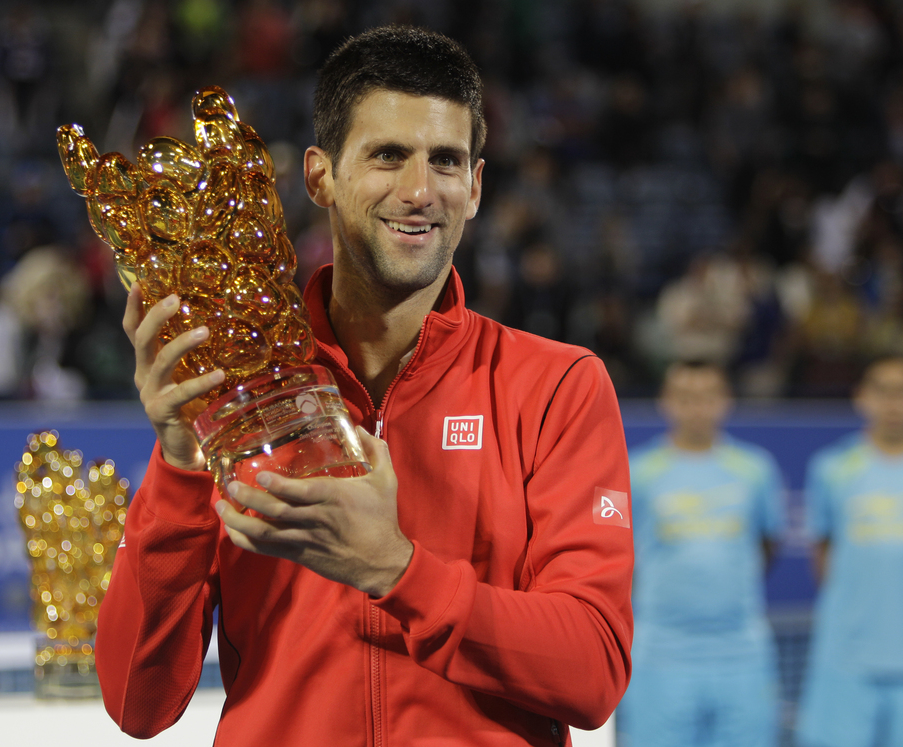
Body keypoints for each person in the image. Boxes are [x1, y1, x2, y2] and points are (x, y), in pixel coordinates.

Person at [95, 26, 634, 747]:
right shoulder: (237, 387)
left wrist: (395, 571)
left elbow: (592, 670)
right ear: (320, 175)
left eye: (445, 161)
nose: (419, 191)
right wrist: (179, 464)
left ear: (474, 189)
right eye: (387, 155)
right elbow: (137, 700)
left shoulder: (556, 386)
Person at [619, 361, 784, 747]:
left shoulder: (756, 469)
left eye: (707, 397)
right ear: (666, 402)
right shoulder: (637, 471)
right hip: (660, 654)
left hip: (742, 654)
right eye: (686, 398)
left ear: (726, 401)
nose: (697, 408)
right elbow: (623, 558)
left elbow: (767, 546)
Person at [796, 355, 903, 747]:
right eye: (885, 392)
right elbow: (822, 555)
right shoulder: (833, 469)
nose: (895, 403)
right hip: (846, 662)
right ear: (862, 398)